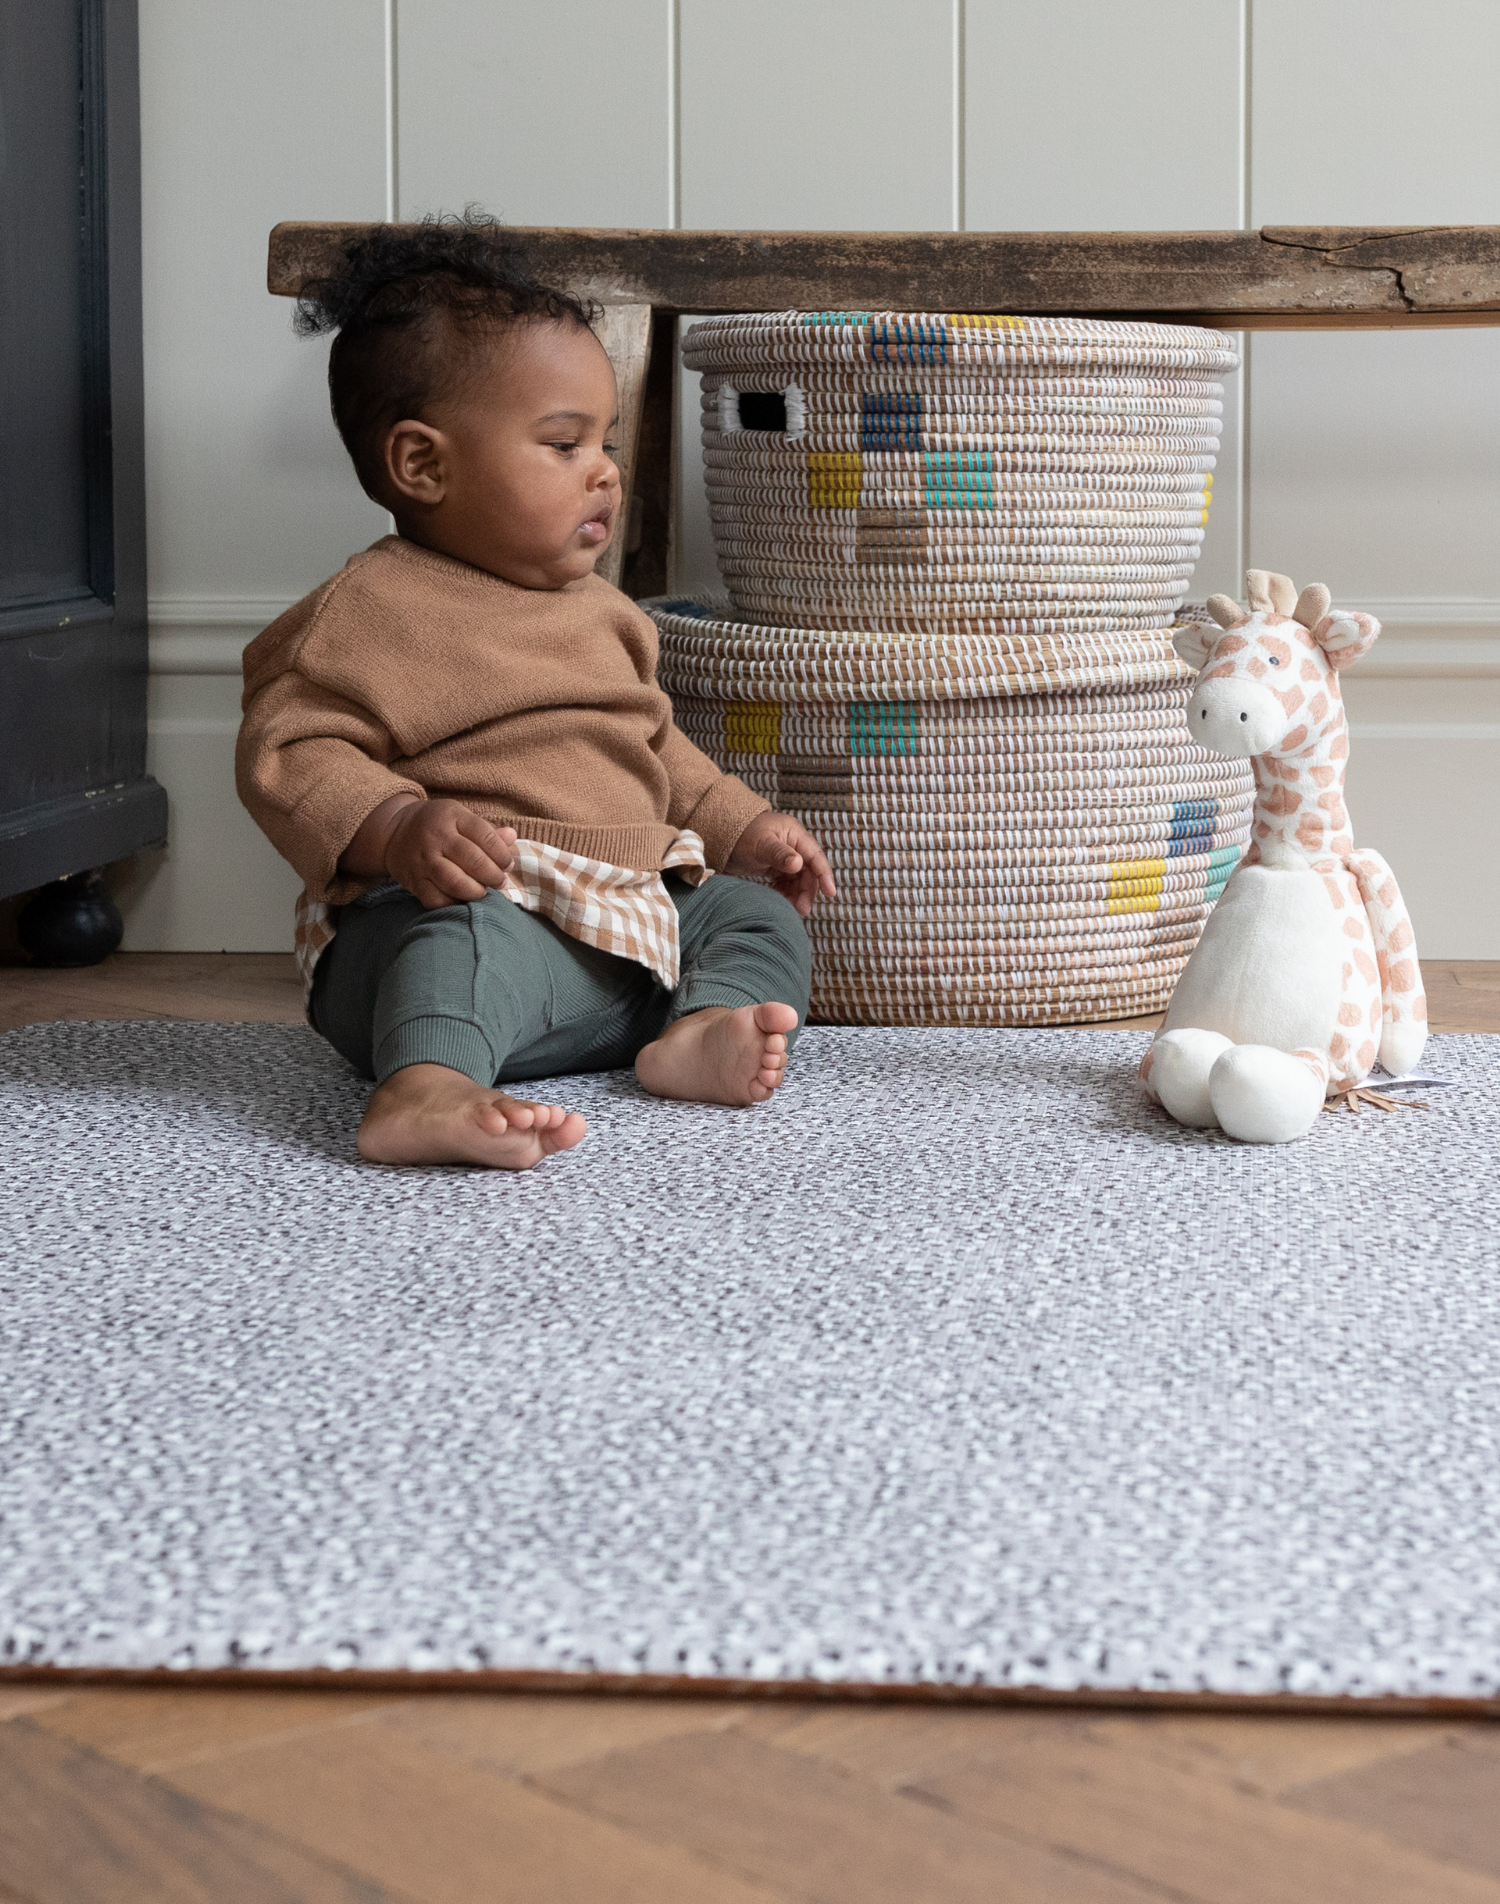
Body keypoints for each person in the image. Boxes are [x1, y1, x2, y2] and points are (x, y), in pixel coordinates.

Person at [236, 216, 834, 1170]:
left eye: (606, 440)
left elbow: (653, 746)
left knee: (752, 916)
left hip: (622, 931)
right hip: (463, 921)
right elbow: (288, 754)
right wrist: (396, 828)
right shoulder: (368, 612)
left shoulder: (605, 613)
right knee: (463, 937)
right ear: (422, 464)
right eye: (563, 444)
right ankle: (426, 1081)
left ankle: (695, 1033)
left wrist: (741, 822)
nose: (604, 469)